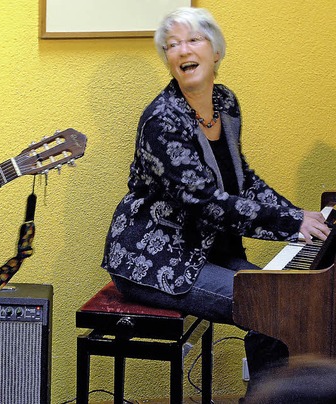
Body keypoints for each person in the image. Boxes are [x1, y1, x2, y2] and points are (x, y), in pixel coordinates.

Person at [100, 7, 331, 397]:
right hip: (158, 258)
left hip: (207, 249)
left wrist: (297, 215)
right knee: (274, 310)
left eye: (192, 40)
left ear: (216, 51)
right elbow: (205, 201)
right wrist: (289, 225)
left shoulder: (224, 102)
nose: (181, 50)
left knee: (283, 305)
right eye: (172, 45)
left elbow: (242, 180)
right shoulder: (162, 120)